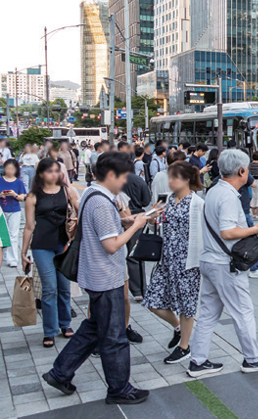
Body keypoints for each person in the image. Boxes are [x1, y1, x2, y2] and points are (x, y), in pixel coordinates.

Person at [43, 152, 157, 404]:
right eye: (124, 176)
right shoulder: (102, 203)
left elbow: (102, 226)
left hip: (96, 276)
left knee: (94, 328)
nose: (126, 181)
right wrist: (136, 227)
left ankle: (59, 373)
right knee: (114, 336)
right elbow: (111, 244)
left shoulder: (92, 195)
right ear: (111, 175)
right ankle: (119, 389)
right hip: (106, 278)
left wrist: (129, 219)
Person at [188, 149, 258, 377]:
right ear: (241, 171)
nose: (248, 173)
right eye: (247, 169)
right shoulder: (228, 196)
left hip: (210, 260)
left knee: (208, 312)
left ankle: (198, 361)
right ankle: (253, 359)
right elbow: (228, 232)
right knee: (243, 311)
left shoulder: (215, 191)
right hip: (224, 264)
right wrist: (256, 229)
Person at [143, 161, 205, 364]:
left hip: (188, 262)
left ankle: (184, 346)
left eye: (174, 177)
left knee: (187, 306)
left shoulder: (197, 203)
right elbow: (154, 222)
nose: (170, 181)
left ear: (187, 179)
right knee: (152, 300)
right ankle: (178, 329)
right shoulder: (167, 200)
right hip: (166, 259)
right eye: (170, 177)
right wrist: (151, 216)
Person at [21, 158, 80, 347]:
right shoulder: (32, 196)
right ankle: (50, 330)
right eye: (50, 171)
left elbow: (81, 209)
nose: (55, 174)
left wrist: (75, 219)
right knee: (49, 289)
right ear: (40, 174)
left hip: (63, 244)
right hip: (41, 245)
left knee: (64, 287)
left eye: (57, 171)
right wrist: (23, 252)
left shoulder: (67, 190)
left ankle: (65, 324)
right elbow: (29, 227)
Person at [121, 161, 152, 301]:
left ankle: (135, 289)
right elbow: (146, 200)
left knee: (129, 255)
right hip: (139, 216)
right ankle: (142, 289)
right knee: (137, 253)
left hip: (122, 217)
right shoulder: (138, 180)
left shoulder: (117, 180)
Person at [0, 160, 26, 268]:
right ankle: (5, 255)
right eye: (7, 168)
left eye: (12, 169)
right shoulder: (0, 180)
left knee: (13, 235)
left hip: (14, 210)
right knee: (2, 235)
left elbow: (22, 197)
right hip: (2, 211)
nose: (9, 171)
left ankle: (13, 259)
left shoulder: (18, 182)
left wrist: (14, 195)